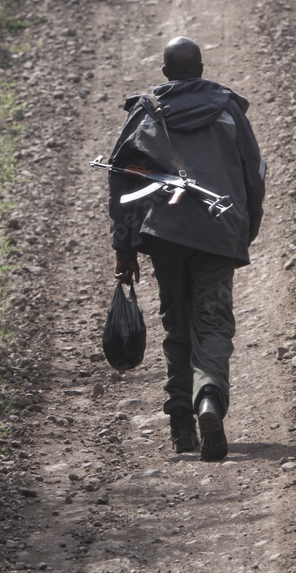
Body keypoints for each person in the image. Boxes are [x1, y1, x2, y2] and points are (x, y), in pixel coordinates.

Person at [107, 36, 266, 460]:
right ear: (200, 69)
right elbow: (254, 175)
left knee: (177, 323)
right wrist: (244, 229)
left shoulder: (145, 114)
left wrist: (125, 247)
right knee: (212, 322)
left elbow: (122, 180)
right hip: (219, 231)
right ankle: (208, 399)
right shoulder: (229, 110)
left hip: (167, 234)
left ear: (165, 73)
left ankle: (181, 427)